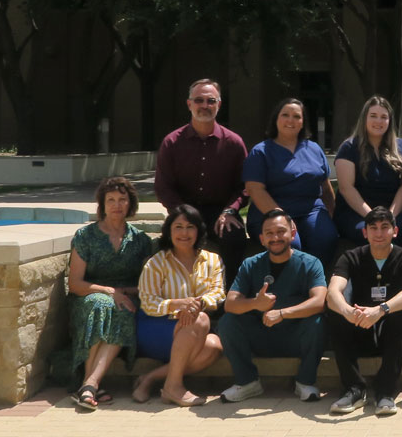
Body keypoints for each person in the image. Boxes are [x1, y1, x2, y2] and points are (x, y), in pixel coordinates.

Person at [218, 208, 328, 404]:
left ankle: (305, 382)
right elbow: (230, 304)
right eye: (269, 233)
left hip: (297, 336)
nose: (275, 237)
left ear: (292, 234)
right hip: (261, 335)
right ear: (261, 238)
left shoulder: (310, 263)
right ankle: (247, 382)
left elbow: (319, 302)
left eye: (280, 231)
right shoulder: (250, 265)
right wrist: (255, 303)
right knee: (228, 322)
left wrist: (283, 313)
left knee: (318, 321)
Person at [64, 176, 154, 409]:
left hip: (126, 297)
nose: (116, 205)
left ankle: (88, 385)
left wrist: (122, 292)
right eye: (111, 200)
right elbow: (75, 283)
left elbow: (148, 283)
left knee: (122, 309)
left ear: (130, 204)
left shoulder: (141, 240)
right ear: (102, 204)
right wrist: (109, 291)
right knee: (101, 304)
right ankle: (90, 384)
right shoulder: (86, 237)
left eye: (122, 200)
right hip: (88, 296)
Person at [324, 208, 402, 416]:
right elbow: (332, 292)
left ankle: (385, 392)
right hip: (361, 328)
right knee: (335, 313)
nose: (379, 233)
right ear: (365, 233)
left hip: (394, 334)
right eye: (373, 228)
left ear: (395, 231)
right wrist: (348, 312)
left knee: (400, 313)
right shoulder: (350, 257)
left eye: (385, 227)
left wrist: (380, 310)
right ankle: (354, 389)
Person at [131, 204, 226, 407]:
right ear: (169, 231)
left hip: (192, 330)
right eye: (178, 227)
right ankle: (173, 387)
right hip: (155, 327)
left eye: (190, 226)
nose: (184, 233)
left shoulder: (212, 260)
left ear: (198, 230)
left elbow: (218, 294)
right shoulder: (156, 263)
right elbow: (148, 303)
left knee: (214, 346)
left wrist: (197, 303)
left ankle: (149, 378)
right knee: (200, 318)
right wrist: (178, 305)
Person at [154, 77, 249, 265]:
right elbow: (163, 187)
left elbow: (245, 186)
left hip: (221, 212)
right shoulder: (172, 142)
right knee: (165, 244)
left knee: (234, 237)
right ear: (189, 104)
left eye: (211, 101)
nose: (205, 105)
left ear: (219, 105)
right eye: (199, 100)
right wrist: (182, 215)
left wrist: (230, 211)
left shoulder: (234, 143)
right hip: (183, 209)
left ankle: (231, 291)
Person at [243, 97, 336, 263]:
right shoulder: (261, 151)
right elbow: (255, 190)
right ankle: (291, 287)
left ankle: (318, 284)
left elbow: (326, 187)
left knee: (325, 238)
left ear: (302, 122)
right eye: (285, 115)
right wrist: (282, 217)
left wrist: (333, 215)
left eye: (297, 116)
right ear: (276, 119)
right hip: (271, 212)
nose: (290, 120)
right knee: (291, 243)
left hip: (311, 210)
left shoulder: (314, 149)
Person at [332, 96, 402, 251]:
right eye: (373, 116)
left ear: (390, 121)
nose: (379, 121)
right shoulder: (349, 148)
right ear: (364, 119)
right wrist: (373, 218)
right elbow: (346, 188)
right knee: (369, 235)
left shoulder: (401, 147)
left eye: (384, 117)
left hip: (391, 212)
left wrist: (390, 216)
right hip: (355, 212)